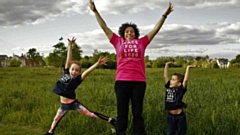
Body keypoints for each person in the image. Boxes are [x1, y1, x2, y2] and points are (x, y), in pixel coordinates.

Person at [90, 1, 173, 135]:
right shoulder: (118, 41)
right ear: (123, 33)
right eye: (127, 31)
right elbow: (104, 27)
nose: (129, 33)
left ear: (135, 33)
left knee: (137, 113)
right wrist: (95, 12)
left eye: (132, 31)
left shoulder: (142, 42)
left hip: (139, 82)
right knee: (122, 113)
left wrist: (164, 15)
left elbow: (155, 30)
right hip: (121, 81)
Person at [44, 37, 116, 135]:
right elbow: (68, 59)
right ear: (69, 69)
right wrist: (70, 45)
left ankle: (111, 120)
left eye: (77, 70)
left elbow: (88, 71)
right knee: (56, 118)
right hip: (63, 105)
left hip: (74, 103)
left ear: (79, 72)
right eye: (73, 69)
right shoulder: (65, 72)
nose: (74, 72)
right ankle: (50, 132)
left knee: (90, 114)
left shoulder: (78, 79)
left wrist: (97, 64)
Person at [164, 62, 195, 135]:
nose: (171, 81)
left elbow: (185, 80)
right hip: (170, 116)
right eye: (171, 79)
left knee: (181, 133)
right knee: (170, 132)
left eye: (174, 80)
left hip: (180, 116)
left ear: (179, 83)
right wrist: (167, 65)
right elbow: (165, 76)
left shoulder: (180, 89)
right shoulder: (168, 87)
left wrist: (188, 68)